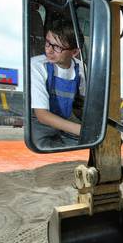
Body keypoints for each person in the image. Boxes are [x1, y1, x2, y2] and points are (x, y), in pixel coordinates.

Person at [30, 18, 86, 148]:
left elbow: (83, 104)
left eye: (57, 47)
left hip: (65, 123)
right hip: (40, 127)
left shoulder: (81, 69)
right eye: (48, 43)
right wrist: (83, 130)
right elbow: (42, 115)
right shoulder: (37, 66)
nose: (49, 50)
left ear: (74, 52)